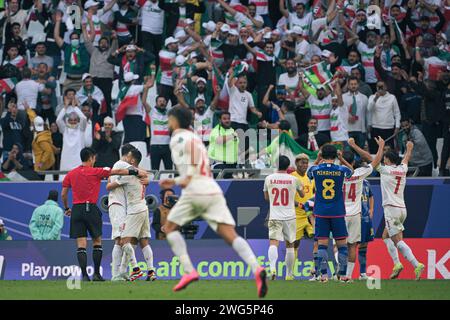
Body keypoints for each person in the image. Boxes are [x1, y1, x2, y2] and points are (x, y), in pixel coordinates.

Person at [159, 106, 268, 297]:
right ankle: (256, 268)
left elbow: (189, 176)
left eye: (169, 119)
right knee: (231, 235)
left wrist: (172, 181)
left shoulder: (177, 138)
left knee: (168, 228)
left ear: (175, 120)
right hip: (212, 189)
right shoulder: (197, 140)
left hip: (195, 190)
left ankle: (189, 270)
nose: (169, 123)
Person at [61, 147, 147, 281]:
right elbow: (117, 171)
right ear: (90, 158)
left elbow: (64, 193)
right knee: (97, 242)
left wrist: (67, 208)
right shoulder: (96, 171)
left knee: (81, 244)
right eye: (94, 158)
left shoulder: (71, 174)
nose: (94, 161)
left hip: (77, 209)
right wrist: (135, 171)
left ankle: (84, 275)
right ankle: (96, 274)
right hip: (91, 208)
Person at [351, 140, 425, 280]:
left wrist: (355, 146)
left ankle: (417, 264)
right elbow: (406, 158)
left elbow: (369, 158)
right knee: (385, 236)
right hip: (402, 208)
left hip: (391, 209)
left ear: (387, 160)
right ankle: (397, 264)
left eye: (384, 158)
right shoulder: (402, 169)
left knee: (397, 241)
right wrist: (409, 148)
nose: (382, 160)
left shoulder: (385, 170)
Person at [107, 148, 156, 282]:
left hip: (133, 210)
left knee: (123, 240)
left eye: (129, 157)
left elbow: (109, 186)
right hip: (144, 208)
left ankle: (135, 270)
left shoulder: (128, 173)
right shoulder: (140, 175)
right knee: (143, 241)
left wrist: (109, 179)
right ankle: (150, 271)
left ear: (132, 160)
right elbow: (144, 173)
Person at [307, 144, 353, 282]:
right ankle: (343, 275)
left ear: (321, 155)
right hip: (337, 212)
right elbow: (352, 172)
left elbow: (309, 172)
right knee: (342, 245)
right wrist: (341, 158)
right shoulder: (342, 169)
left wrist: (317, 159)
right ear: (336, 155)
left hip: (321, 212)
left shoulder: (315, 169)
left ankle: (324, 275)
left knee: (322, 244)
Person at [342, 136, 384, 280]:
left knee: (342, 245)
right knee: (352, 245)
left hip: (342, 214)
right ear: (354, 162)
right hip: (355, 214)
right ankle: (346, 275)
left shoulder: (336, 175)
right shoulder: (359, 175)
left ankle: (347, 274)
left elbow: (371, 196)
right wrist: (380, 147)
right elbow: (376, 161)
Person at [264, 155, 304, 281]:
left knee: (273, 242)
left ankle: (272, 268)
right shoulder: (294, 179)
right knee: (290, 245)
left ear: (276, 165)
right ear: (288, 166)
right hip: (290, 216)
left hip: (275, 215)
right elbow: (302, 195)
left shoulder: (268, 178)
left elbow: (266, 198)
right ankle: (289, 275)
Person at [290, 153, 314, 270]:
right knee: (295, 243)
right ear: (296, 163)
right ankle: (291, 272)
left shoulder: (310, 178)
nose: (305, 165)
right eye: (302, 162)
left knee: (319, 240)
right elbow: (288, 198)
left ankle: (317, 271)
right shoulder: (292, 177)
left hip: (310, 216)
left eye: (306, 163)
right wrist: (299, 204)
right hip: (296, 215)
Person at [367, 81, 401, 153]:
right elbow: (369, 109)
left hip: (388, 128)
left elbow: (397, 113)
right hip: (376, 127)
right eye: (378, 86)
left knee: (388, 151)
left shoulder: (392, 97)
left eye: (382, 86)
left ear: (386, 87)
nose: (380, 88)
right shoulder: (372, 97)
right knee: (375, 150)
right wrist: (375, 98)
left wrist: (397, 126)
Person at [208, 111, 239, 178]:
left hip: (232, 164)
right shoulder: (216, 130)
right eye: (224, 119)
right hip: (219, 164)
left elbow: (236, 146)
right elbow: (219, 141)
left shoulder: (232, 130)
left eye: (228, 118)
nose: (227, 120)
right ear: (220, 120)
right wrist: (232, 136)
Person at [359, 179, 374, 280]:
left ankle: (363, 273)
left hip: (365, 218)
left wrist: (371, 209)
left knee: (364, 245)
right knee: (349, 245)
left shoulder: (366, 182)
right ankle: (343, 272)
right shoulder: (349, 180)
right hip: (354, 217)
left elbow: (371, 196)